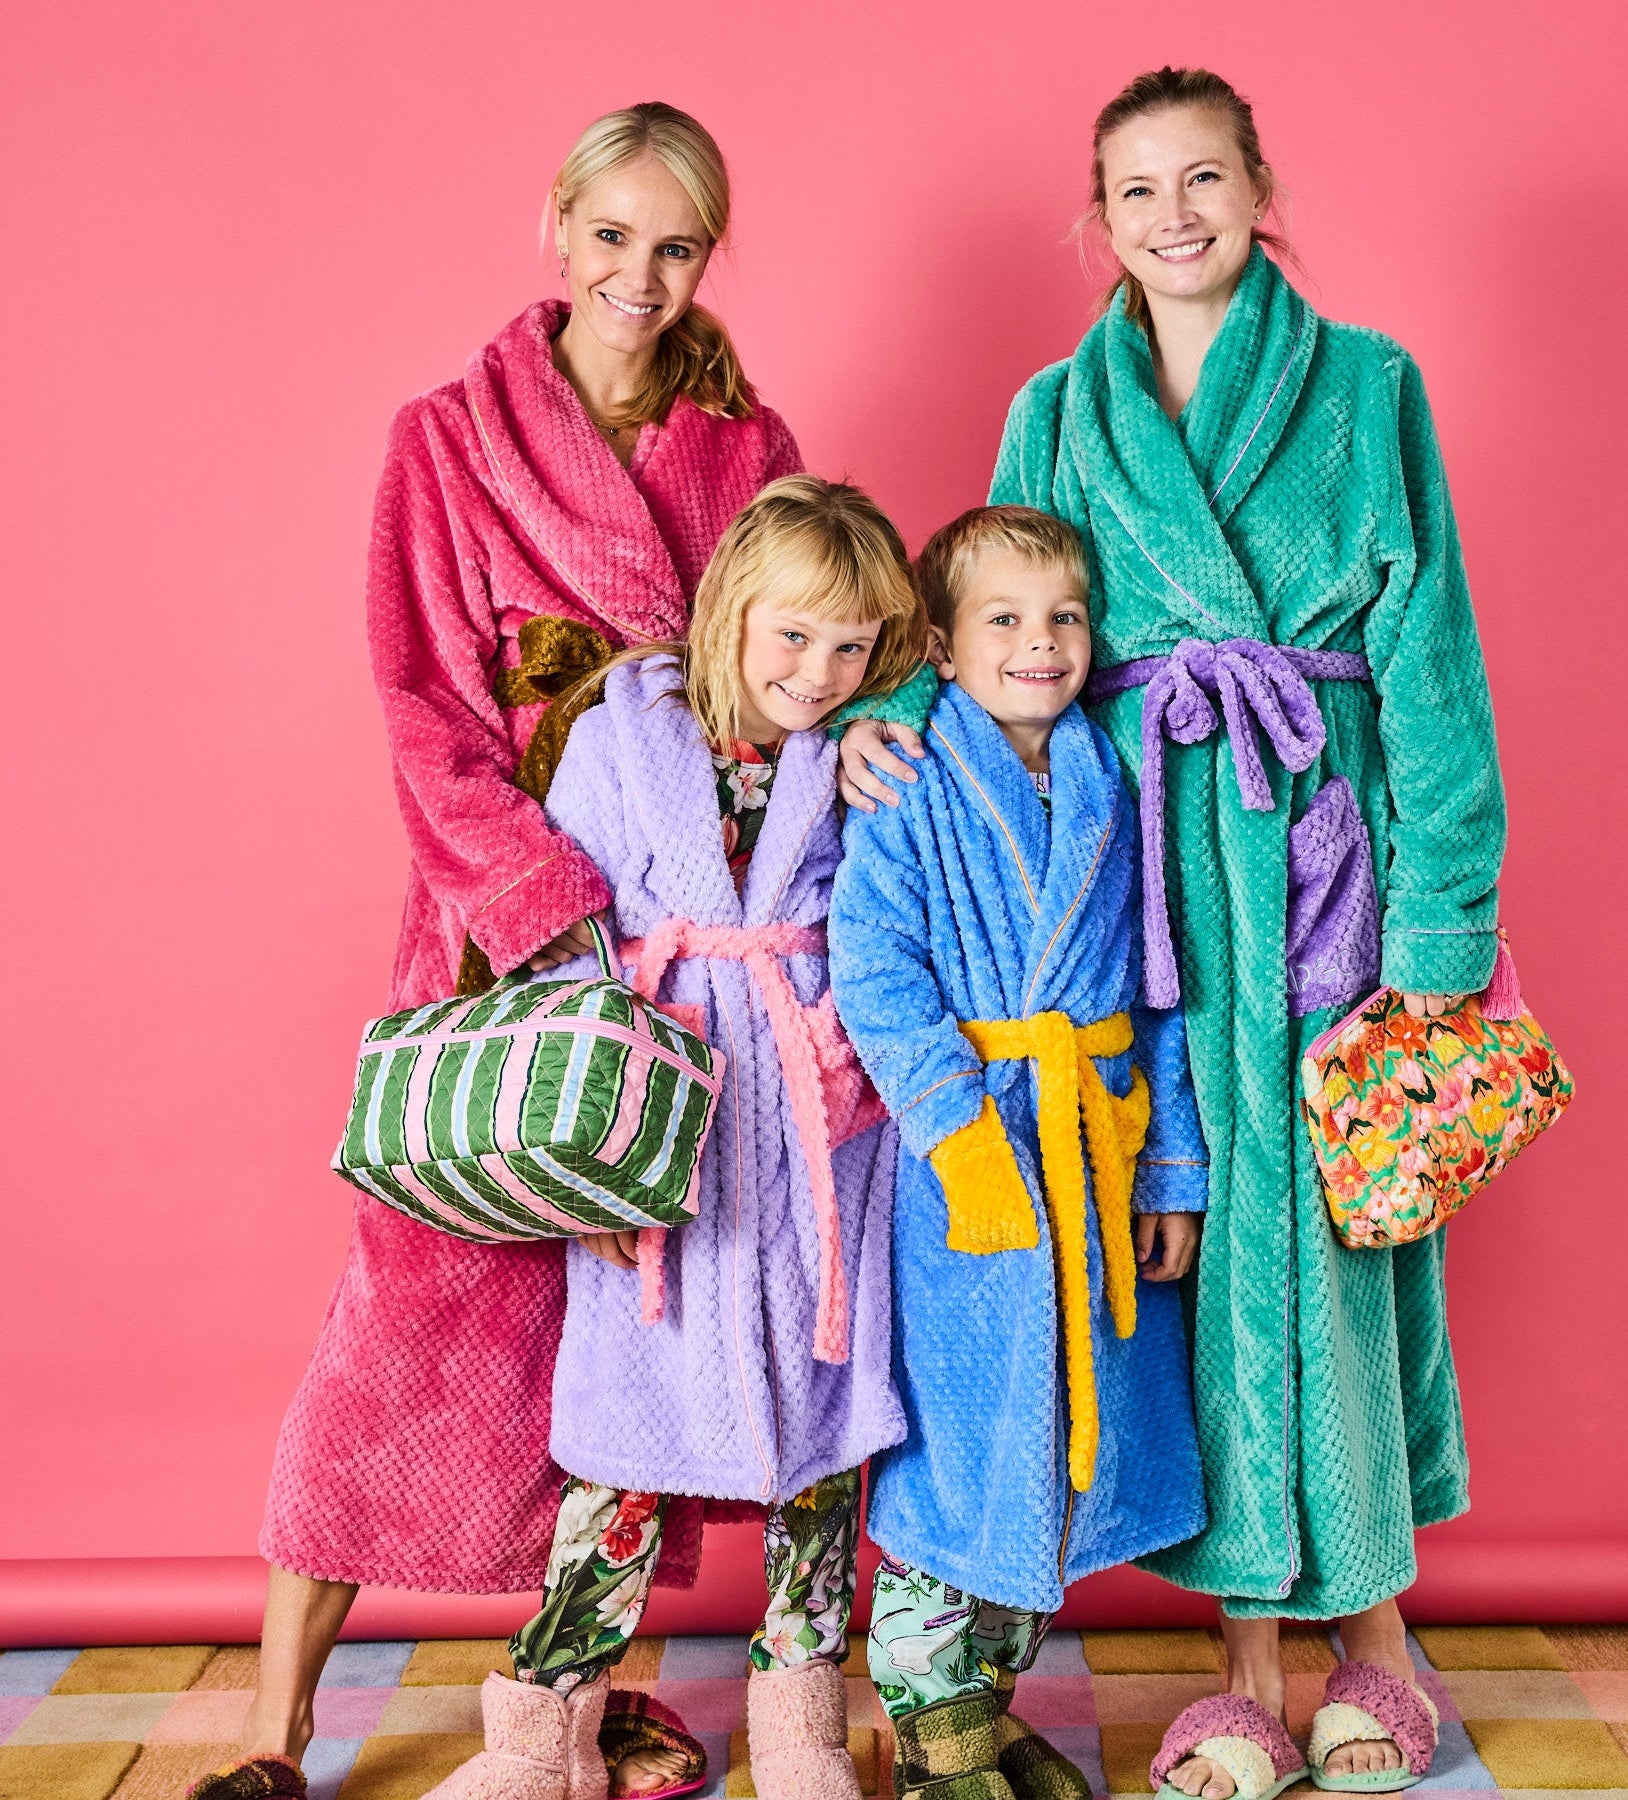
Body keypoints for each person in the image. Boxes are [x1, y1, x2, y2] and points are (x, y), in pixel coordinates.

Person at [840, 68, 1506, 1800]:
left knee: (1346, 1256)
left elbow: (1430, 663)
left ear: (1261, 184)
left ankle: (1378, 1655)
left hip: (1314, 865)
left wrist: (1442, 932)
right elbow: (982, 613)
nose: (1175, 215)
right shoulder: (1057, 408)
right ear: (1100, 221)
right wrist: (880, 723)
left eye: (1203, 177)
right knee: (1193, 1272)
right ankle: (1238, 1673)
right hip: (1143, 880)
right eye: (1137, 192)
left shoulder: (1369, 387)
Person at [200, 105, 804, 1800]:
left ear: (705, 260)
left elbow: (787, 665)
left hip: (681, 931)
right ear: (557, 229)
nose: (639, 274)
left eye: (675, 245)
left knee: (618, 1335)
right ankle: (273, 1730)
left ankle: (573, 1699)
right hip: (495, 925)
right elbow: (418, 707)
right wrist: (543, 910)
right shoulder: (445, 441)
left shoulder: (746, 452)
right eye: (611, 235)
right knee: (405, 1307)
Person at [422, 476, 924, 1800]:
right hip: (665, 1120)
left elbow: (891, 921)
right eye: (793, 634)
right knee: (623, 1456)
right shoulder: (621, 736)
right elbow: (567, 938)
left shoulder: (864, 750)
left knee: (824, 1442)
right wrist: (587, 1144)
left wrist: (848, 1057)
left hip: (819, 1127)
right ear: (730, 612)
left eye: (851, 645)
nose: (818, 672)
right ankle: (540, 1738)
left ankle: (803, 1728)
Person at [830, 506, 1210, 1800]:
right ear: (940, 645)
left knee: (1050, 1456)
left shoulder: (1114, 773)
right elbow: (873, 964)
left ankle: (983, 1720)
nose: (1039, 643)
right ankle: (933, 1742)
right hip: (974, 1161)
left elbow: (1161, 985)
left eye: (1064, 617)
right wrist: (955, 1129)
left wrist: (1171, 1173)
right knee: (963, 1449)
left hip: (1094, 1150)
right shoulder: (906, 774)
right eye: (1003, 618)